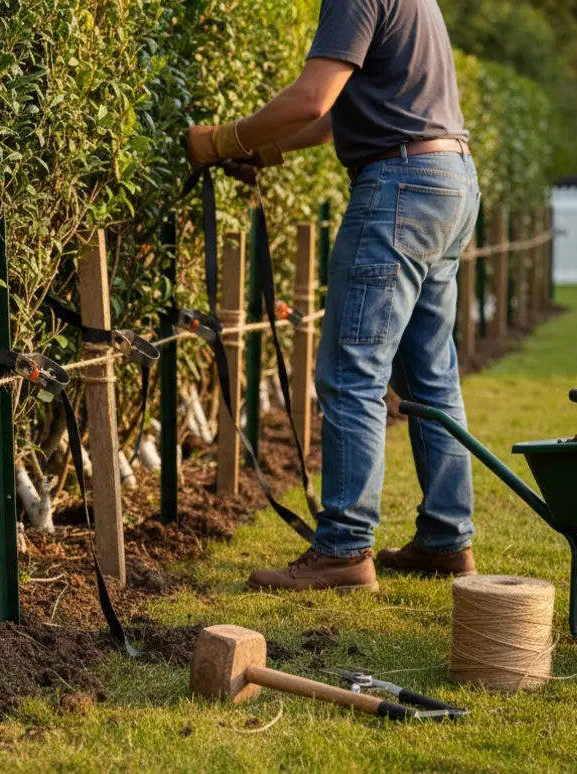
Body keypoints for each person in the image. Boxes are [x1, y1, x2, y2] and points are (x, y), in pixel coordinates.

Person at [185, 0, 479, 592]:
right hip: (449, 180)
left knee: (352, 372)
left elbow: (313, 98)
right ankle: (447, 539)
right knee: (429, 376)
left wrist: (218, 140)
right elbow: (336, 117)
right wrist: (263, 149)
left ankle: (344, 550)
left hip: (399, 187)